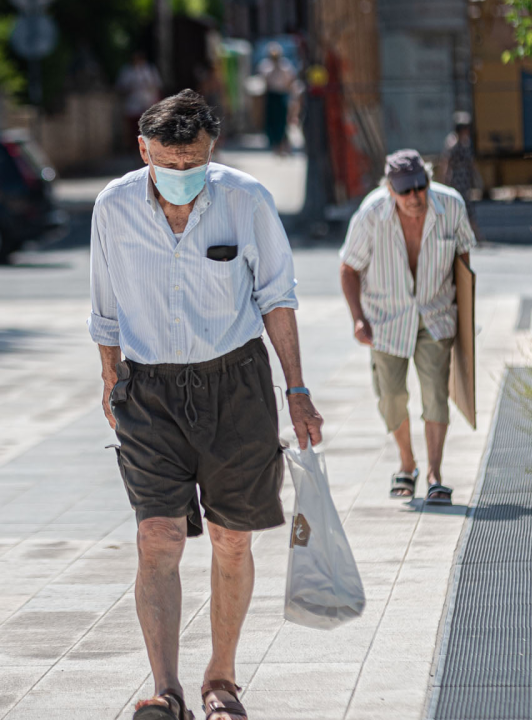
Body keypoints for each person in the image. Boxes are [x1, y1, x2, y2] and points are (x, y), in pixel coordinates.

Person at [89, 89, 324, 720]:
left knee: (232, 540)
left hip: (235, 385)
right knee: (157, 535)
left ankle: (220, 680)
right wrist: (110, 380)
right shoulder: (112, 206)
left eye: (194, 163)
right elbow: (105, 309)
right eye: (169, 163)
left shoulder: (246, 200)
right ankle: (165, 691)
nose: (183, 176)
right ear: (144, 151)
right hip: (149, 391)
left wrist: (296, 389)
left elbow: (278, 295)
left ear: (211, 150)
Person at [338, 149, 475, 505]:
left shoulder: (451, 206)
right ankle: (406, 463)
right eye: (405, 191)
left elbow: (464, 262)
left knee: (435, 394)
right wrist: (357, 316)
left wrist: (466, 317)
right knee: (391, 397)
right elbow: (348, 268)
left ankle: (434, 474)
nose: (415, 196)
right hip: (386, 319)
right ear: (390, 190)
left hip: (435, 314)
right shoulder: (371, 215)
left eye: (420, 186)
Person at [440, 111, 483, 239]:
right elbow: (446, 163)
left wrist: (477, 177)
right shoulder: (452, 144)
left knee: (467, 207)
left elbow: (471, 163)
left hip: (465, 181)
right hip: (456, 181)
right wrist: (443, 180)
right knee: (458, 207)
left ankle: (475, 235)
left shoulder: (466, 144)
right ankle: (470, 235)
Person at [116, 52, 163, 150]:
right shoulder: (127, 71)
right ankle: (134, 148)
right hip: (133, 105)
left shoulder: (149, 70)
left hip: (147, 103)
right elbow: (121, 87)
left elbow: (156, 85)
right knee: (134, 128)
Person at [256, 43, 296, 154]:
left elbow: (290, 80)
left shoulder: (285, 66)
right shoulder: (265, 66)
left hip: (281, 94)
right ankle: (273, 142)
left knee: (281, 120)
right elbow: (263, 80)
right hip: (271, 94)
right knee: (271, 119)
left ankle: (282, 142)